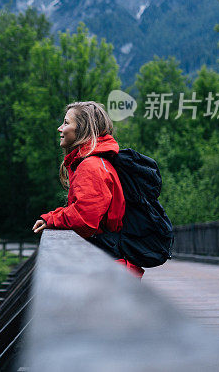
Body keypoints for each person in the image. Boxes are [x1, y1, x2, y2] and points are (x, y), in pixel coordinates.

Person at [31, 101, 144, 278]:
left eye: (66, 123)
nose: (60, 128)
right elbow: (84, 209)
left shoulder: (91, 166)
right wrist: (53, 219)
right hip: (107, 260)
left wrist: (53, 219)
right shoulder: (93, 163)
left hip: (107, 265)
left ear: (82, 129)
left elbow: (85, 219)